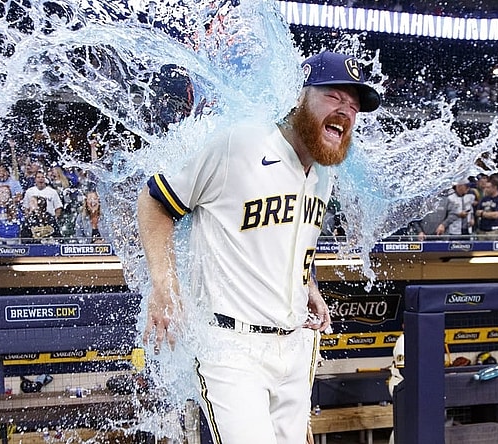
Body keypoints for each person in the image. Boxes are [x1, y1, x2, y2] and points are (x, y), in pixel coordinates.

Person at [137, 51, 380, 444]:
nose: (347, 111)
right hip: (231, 347)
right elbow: (155, 202)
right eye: (335, 97)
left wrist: (310, 286)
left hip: (296, 344)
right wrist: (165, 287)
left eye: (354, 106)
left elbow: (287, 237)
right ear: (299, 96)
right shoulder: (240, 144)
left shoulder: (322, 172)